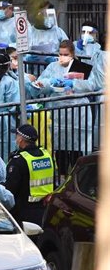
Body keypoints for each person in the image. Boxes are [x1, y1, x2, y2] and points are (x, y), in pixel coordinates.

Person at [31, 40, 93, 174]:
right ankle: (62, 175)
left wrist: (74, 84)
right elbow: (41, 84)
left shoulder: (82, 67)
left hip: (77, 113)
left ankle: (77, 175)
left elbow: (91, 86)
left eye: (66, 54)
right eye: (60, 54)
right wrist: (49, 83)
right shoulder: (52, 67)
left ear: (72, 54)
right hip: (57, 113)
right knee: (60, 146)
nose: (62, 57)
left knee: (77, 147)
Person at [5, 124, 55, 225]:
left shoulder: (19, 160)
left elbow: (10, 190)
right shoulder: (46, 155)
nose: (16, 138)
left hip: (24, 212)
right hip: (46, 209)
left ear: (21, 139)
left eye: (17, 135)